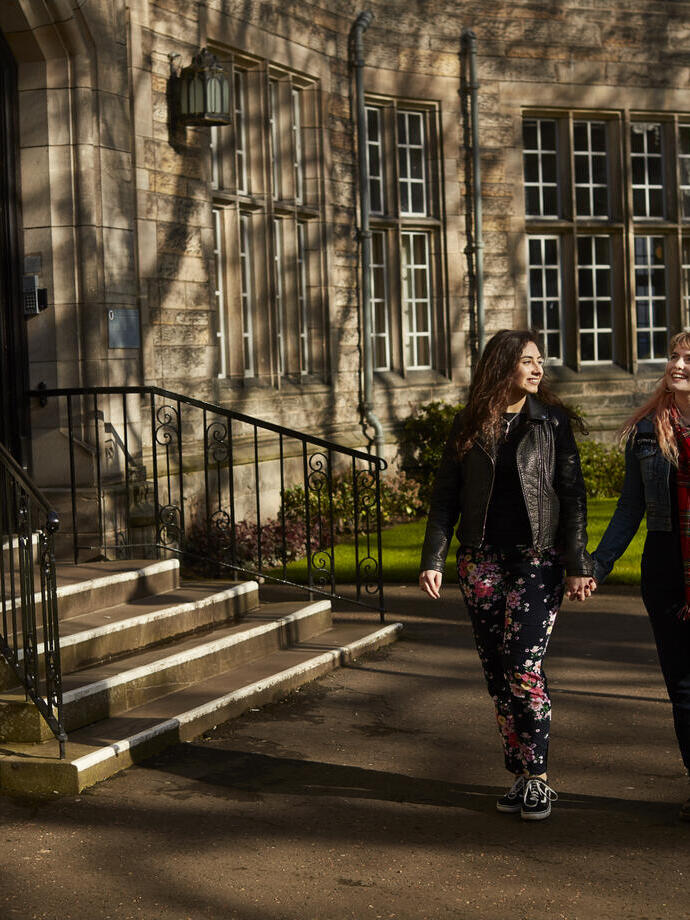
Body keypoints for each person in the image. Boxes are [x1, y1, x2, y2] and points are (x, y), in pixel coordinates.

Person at [419, 329, 594, 821]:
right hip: (481, 562)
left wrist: (579, 564)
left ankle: (538, 777)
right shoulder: (469, 424)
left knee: (523, 667)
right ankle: (520, 774)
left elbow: (573, 497)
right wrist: (433, 557)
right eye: (527, 361)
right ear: (502, 367)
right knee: (499, 674)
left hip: (536, 561)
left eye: (540, 361)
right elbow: (444, 500)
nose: (538, 369)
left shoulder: (551, 423)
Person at [591, 331, 690, 822]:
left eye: (688, 357)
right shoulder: (649, 431)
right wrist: (597, 565)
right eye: (674, 355)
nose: (676, 363)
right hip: (667, 567)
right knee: (683, 686)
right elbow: (630, 507)